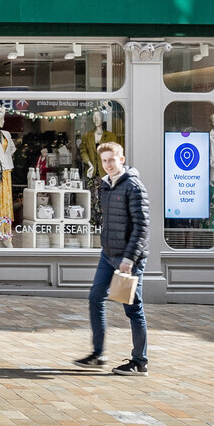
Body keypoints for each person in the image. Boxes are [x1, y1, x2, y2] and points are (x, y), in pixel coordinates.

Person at [77, 140, 149, 374]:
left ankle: (140, 362)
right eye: (104, 160)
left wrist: (129, 259)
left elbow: (142, 227)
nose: (108, 164)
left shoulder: (134, 186)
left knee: (133, 309)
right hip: (108, 254)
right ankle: (98, 354)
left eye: (112, 159)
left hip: (130, 258)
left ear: (122, 160)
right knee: (95, 298)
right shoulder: (105, 186)